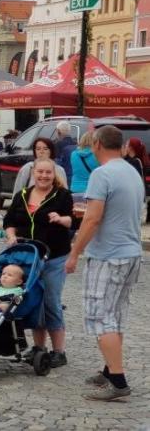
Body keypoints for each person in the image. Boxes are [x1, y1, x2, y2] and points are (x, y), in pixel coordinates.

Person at [65, 126, 144, 402]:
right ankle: (110, 370)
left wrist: (75, 252)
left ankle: (119, 381)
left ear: (96, 144)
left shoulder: (102, 174)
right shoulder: (130, 170)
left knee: (101, 317)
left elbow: (93, 218)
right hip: (131, 252)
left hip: (108, 255)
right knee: (116, 314)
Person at [4, 158, 74, 367]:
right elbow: (9, 221)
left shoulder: (62, 195)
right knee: (35, 302)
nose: (44, 176)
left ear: (54, 174)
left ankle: (59, 352)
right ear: (33, 172)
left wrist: (61, 219)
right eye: (40, 172)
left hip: (54, 257)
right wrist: (10, 236)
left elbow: (73, 220)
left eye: (48, 173)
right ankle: (39, 348)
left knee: (51, 302)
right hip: (29, 259)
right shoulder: (22, 195)